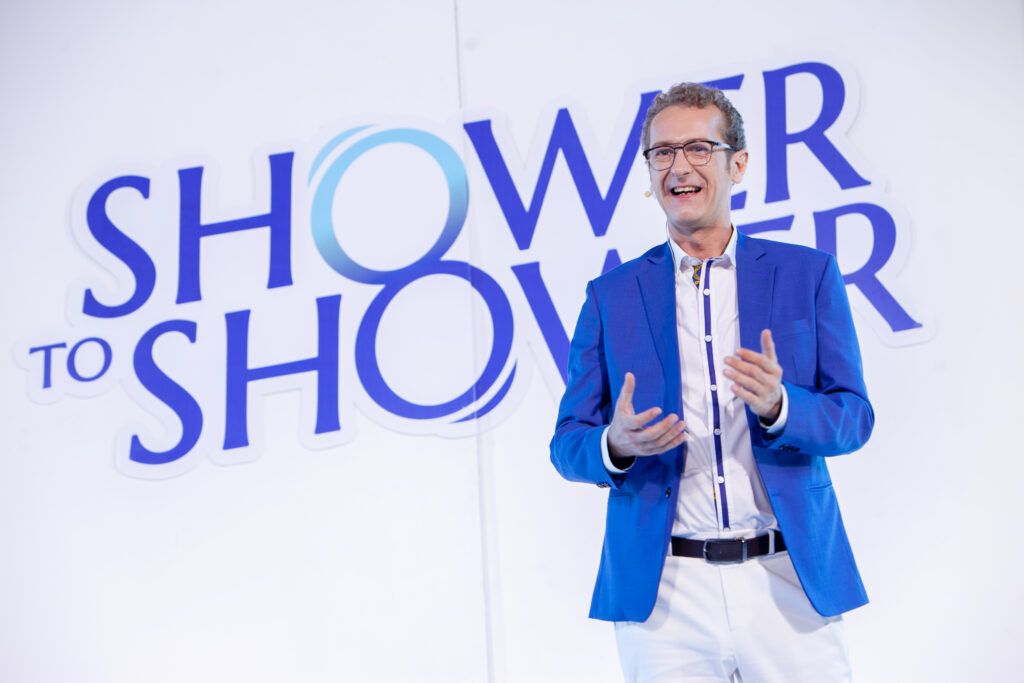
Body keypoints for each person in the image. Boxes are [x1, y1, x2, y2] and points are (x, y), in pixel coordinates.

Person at [549, 82, 873, 682]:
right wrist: (614, 444)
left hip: (789, 579)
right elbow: (567, 443)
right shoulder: (610, 296)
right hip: (666, 595)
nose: (679, 166)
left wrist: (781, 406)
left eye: (699, 148)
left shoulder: (807, 274)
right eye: (662, 152)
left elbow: (853, 418)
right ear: (649, 173)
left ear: (737, 164)